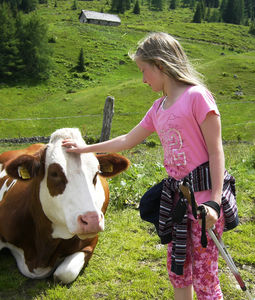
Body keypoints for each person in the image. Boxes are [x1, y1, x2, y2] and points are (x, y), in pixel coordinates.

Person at [62, 32, 225, 300]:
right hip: (177, 202)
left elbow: (216, 152)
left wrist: (215, 204)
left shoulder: (198, 97)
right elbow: (127, 139)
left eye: (144, 70)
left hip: (204, 204)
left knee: (206, 279)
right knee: (179, 271)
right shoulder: (158, 108)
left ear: (160, 65)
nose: (143, 78)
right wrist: (84, 149)